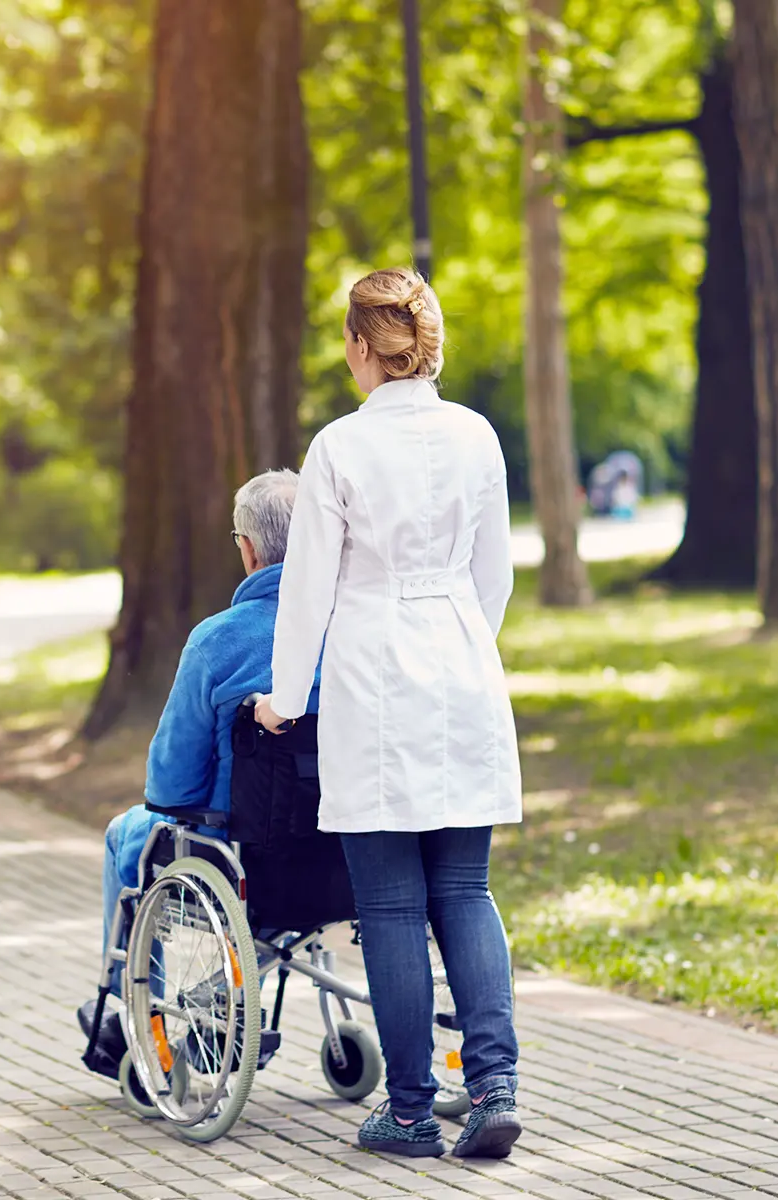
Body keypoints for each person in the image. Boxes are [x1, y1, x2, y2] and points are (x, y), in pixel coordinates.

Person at [254, 267, 525, 1161]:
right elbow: (495, 577)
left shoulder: (339, 447)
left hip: (375, 679)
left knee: (394, 906)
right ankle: (492, 1090)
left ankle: (408, 1113)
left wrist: (282, 702)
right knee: (465, 889)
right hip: (463, 668)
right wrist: (459, 646)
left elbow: (307, 592)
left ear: (362, 348)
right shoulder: (477, 437)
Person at [78, 469, 320, 1072]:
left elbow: (170, 787)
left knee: (124, 834)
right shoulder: (357, 630)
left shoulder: (218, 642)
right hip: (345, 852)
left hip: (239, 855)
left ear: (247, 548)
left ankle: (132, 1012)